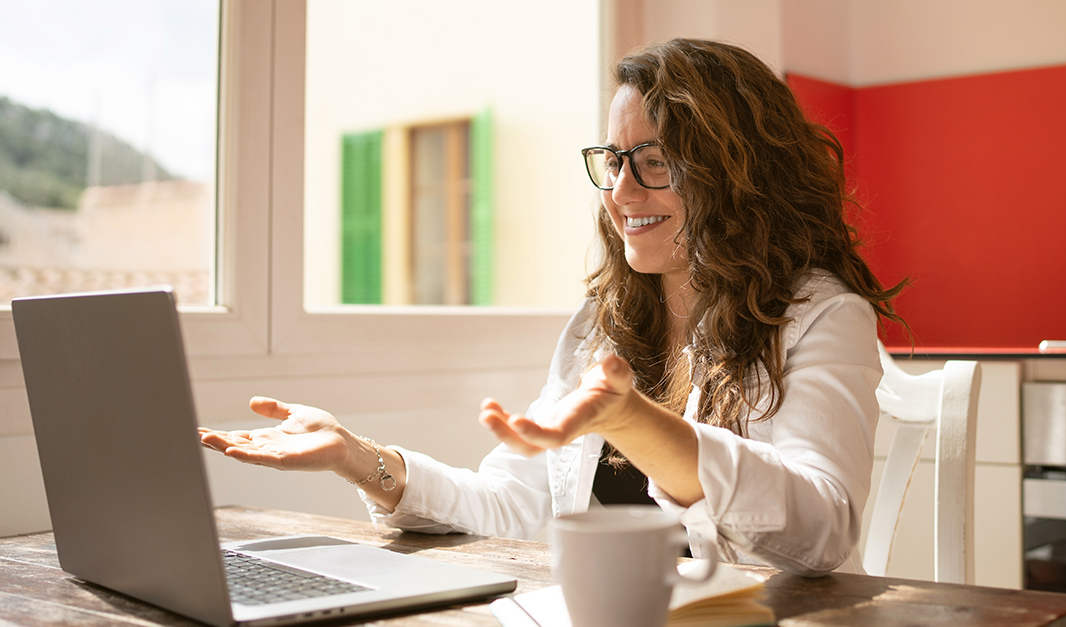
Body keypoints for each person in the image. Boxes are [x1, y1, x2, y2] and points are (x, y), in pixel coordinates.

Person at [199, 38, 904, 577]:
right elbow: (509, 502)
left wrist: (640, 423)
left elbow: (822, 527)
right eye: (614, 159)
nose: (622, 192)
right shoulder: (603, 325)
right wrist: (362, 459)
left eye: (654, 161)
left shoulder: (820, 315)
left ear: (738, 171)